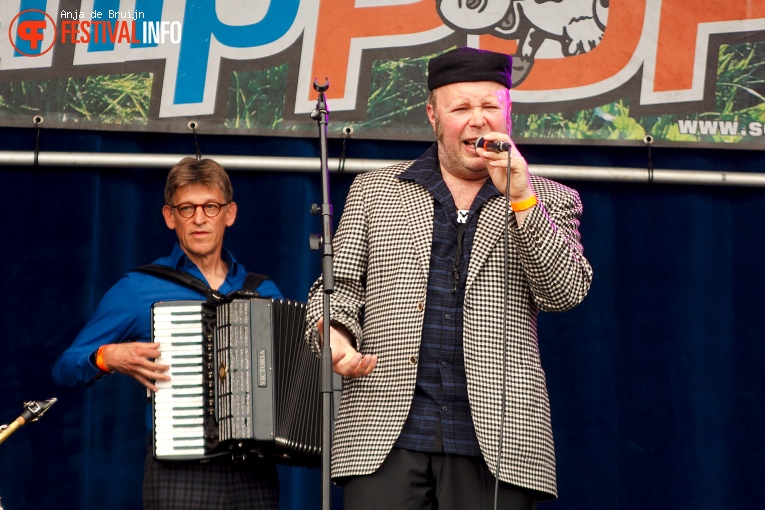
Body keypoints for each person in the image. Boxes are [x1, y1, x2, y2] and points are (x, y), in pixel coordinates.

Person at [305, 47, 593, 509]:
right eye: (461, 108)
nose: (478, 120)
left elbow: (564, 291)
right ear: (433, 116)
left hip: (500, 441)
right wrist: (333, 331)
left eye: (490, 107)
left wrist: (522, 200)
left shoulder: (548, 199)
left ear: (508, 113)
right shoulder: (376, 190)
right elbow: (336, 290)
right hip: (384, 434)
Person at [52, 157, 282, 510]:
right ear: (169, 216)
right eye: (187, 208)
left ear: (229, 213)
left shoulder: (264, 292)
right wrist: (107, 356)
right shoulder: (139, 288)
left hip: (254, 470)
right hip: (179, 470)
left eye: (210, 206)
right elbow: (65, 368)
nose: (200, 218)